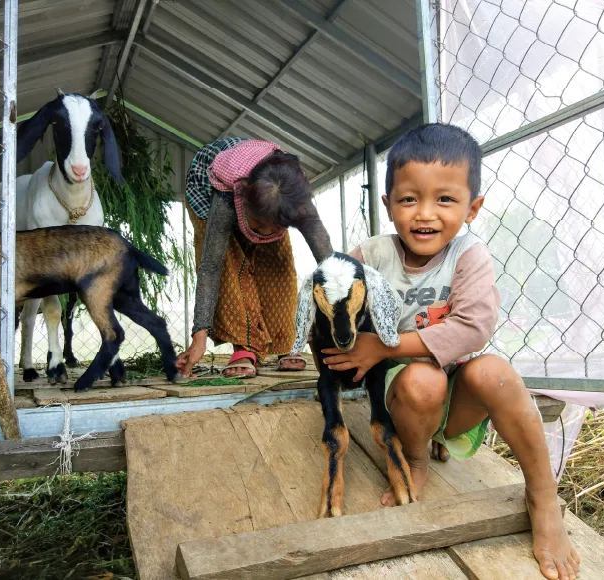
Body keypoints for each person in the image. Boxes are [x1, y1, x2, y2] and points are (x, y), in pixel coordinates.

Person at [321, 124, 580, 580]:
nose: (424, 214)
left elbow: (473, 326)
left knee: (496, 373)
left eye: (444, 199)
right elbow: (335, 292)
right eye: (408, 199)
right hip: (406, 398)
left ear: (472, 207)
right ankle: (415, 457)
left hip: (457, 400)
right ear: (387, 205)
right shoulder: (372, 254)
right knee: (424, 380)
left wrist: (381, 345)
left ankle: (543, 495)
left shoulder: (468, 255)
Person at [176, 138, 333, 378]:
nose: (264, 233)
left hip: (268, 199)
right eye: (258, 224)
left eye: (274, 227)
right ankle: (244, 347)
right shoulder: (228, 198)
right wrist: (199, 338)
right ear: (244, 201)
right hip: (208, 185)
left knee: (278, 263)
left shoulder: (295, 201)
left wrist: (343, 319)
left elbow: (331, 264)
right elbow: (210, 267)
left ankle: (286, 341)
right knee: (229, 261)